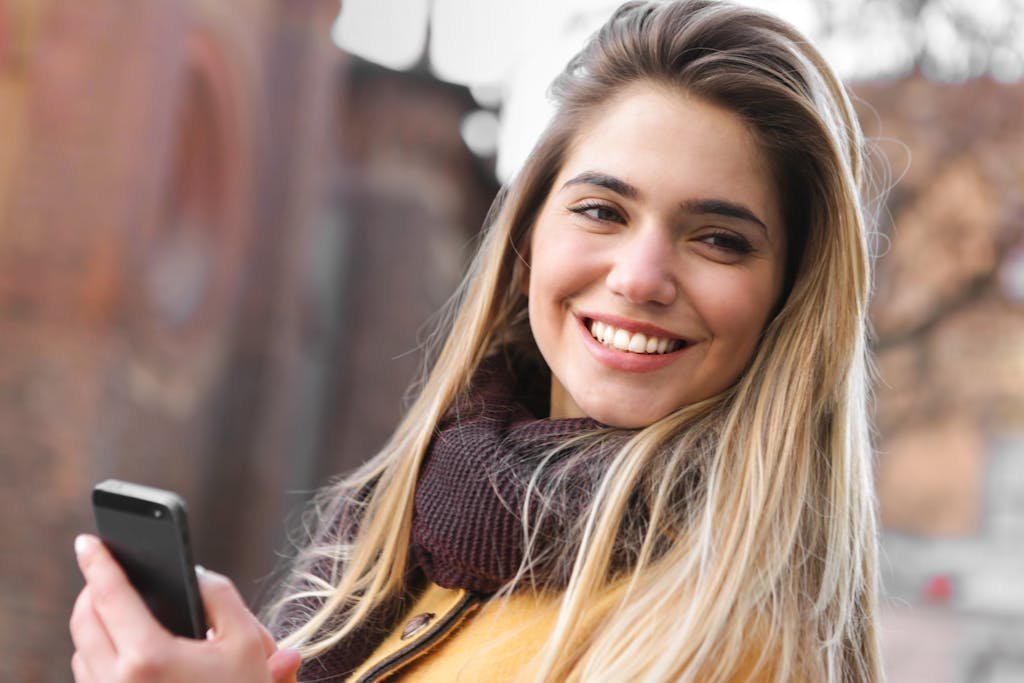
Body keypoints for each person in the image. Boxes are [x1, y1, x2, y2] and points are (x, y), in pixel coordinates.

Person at [69, 0, 883, 680]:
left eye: (718, 238)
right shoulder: (416, 527)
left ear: (788, 298)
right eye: (602, 210)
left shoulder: (732, 638)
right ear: (528, 239)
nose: (639, 276)